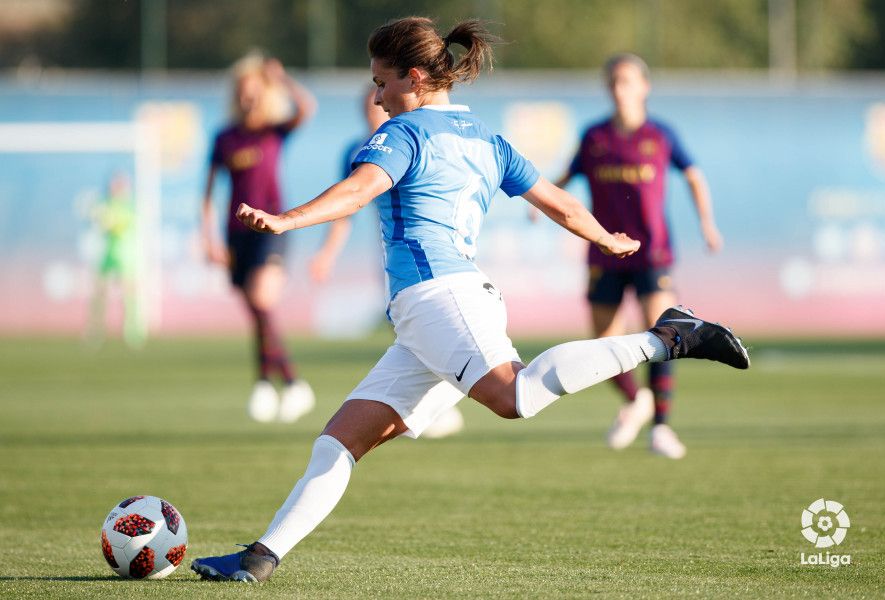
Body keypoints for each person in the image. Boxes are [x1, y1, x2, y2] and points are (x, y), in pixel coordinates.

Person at [190, 18, 748, 583]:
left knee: (516, 397)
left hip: (441, 299)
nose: (377, 99)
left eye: (381, 83)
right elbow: (557, 201)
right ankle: (261, 556)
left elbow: (359, 191)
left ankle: (667, 337)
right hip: (432, 316)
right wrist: (603, 236)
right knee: (338, 441)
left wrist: (287, 220)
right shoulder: (485, 136)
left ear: (414, 78)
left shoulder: (403, 133)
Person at [552, 53, 724, 459]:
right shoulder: (594, 137)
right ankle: (636, 400)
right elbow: (568, 176)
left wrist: (707, 223)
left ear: (644, 87)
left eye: (627, 81)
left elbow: (694, 175)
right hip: (605, 251)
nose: (619, 88)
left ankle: (661, 428)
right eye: (613, 81)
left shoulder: (661, 135)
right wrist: (541, 202)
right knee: (602, 343)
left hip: (652, 252)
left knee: (663, 331)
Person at [202, 54, 334, 423]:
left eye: (255, 92)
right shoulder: (225, 138)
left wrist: (283, 78)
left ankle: (285, 383)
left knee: (261, 299)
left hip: (271, 229)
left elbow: (307, 108)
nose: (249, 99)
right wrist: (208, 239)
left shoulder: (274, 131)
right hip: (235, 234)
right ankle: (272, 383)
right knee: (257, 313)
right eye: (243, 92)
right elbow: (208, 192)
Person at [337, 87, 466, 439]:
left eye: (379, 103)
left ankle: (441, 398)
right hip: (390, 247)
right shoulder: (359, 150)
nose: (375, 109)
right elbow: (345, 203)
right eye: (368, 107)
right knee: (408, 325)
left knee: (426, 323)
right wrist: (327, 253)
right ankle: (429, 400)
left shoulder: (413, 139)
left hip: (430, 252)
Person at [86, 172, 145, 349]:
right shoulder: (106, 203)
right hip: (108, 253)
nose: (116, 188)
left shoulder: (129, 205)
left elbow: (120, 225)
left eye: (120, 184)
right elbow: (99, 222)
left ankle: (132, 331)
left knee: (128, 293)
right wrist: (100, 218)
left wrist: (109, 221)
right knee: (99, 291)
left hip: (125, 254)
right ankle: (96, 330)